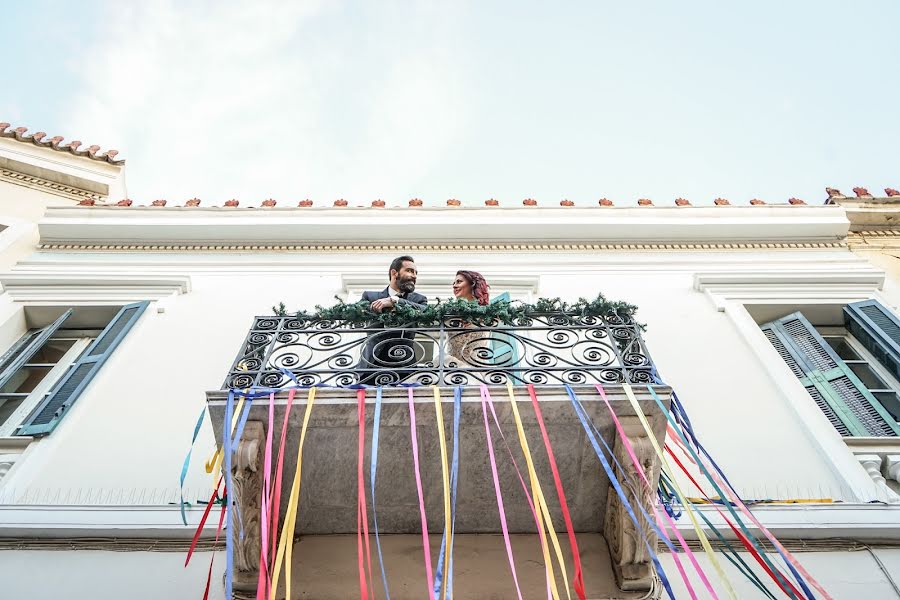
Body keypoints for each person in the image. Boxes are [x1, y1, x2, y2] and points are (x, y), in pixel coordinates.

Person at [357, 256, 428, 384]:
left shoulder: (419, 299)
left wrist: (394, 301)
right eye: (410, 271)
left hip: (404, 366)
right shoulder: (370, 296)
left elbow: (425, 311)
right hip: (371, 365)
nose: (414, 276)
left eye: (416, 273)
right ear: (394, 273)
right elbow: (357, 313)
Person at [446, 270, 492, 367]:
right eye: (453, 283)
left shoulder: (488, 312)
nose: (454, 286)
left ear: (472, 284)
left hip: (477, 368)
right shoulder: (448, 312)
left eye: (459, 282)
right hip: (451, 369)